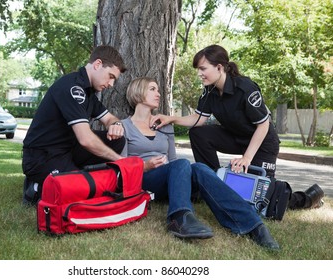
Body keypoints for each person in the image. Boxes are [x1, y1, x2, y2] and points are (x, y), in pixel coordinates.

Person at [151, 44, 324, 210]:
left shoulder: (245, 88)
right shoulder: (209, 91)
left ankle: (307, 199)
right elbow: (198, 119)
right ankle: (211, 183)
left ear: (219, 67)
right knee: (198, 133)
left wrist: (247, 159)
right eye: (198, 69)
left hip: (262, 142)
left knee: (259, 198)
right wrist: (171, 118)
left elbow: (263, 126)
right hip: (235, 137)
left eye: (203, 69)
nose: (199, 74)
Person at [121, 77, 280, 250]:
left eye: (158, 90)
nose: (158, 93)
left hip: (172, 178)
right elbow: (121, 167)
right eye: (152, 89)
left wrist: (180, 174)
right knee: (182, 164)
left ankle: (254, 226)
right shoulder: (123, 126)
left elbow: (173, 161)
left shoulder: (164, 124)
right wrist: (145, 166)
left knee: (199, 168)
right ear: (137, 92)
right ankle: (180, 217)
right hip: (146, 179)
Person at [22, 45, 127, 205]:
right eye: (110, 76)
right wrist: (120, 161)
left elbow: (109, 118)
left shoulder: (88, 92)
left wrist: (116, 124)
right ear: (98, 64)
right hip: (43, 156)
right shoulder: (72, 87)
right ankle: (36, 188)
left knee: (117, 140)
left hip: (68, 150)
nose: (111, 84)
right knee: (84, 192)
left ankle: (75, 175)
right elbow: (86, 139)